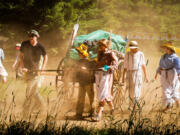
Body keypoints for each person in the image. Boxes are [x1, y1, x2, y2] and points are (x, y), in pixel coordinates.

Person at [19, 30, 48, 116]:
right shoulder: (24, 44)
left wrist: (42, 69)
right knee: (34, 91)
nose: (31, 37)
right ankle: (43, 107)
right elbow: (20, 56)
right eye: (30, 36)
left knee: (29, 91)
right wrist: (23, 67)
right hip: (27, 71)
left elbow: (46, 57)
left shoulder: (40, 47)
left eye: (33, 36)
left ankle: (25, 112)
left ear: (37, 36)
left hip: (36, 71)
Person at [94, 39, 118, 121]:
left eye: (101, 45)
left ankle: (98, 114)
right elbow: (97, 63)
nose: (100, 47)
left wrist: (108, 67)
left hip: (106, 75)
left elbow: (116, 64)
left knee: (103, 94)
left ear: (106, 46)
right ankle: (112, 109)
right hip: (98, 74)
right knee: (103, 94)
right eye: (99, 45)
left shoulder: (111, 53)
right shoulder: (99, 53)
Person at [122, 41, 148, 109]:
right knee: (130, 90)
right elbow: (125, 66)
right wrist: (122, 77)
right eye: (131, 48)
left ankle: (135, 104)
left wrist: (146, 76)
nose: (132, 49)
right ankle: (130, 105)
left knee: (137, 89)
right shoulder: (127, 54)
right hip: (129, 72)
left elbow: (143, 65)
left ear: (136, 48)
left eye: (133, 48)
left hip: (137, 73)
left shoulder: (140, 54)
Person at [155, 42, 180, 111]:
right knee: (165, 89)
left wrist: (179, 74)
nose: (164, 49)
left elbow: (178, 67)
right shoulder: (163, 56)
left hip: (172, 73)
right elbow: (160, 65)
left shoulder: (175, 58)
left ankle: (174, 102)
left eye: (165, 47)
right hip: (163, 73)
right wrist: (157, 73)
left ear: (169, 49)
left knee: (172, 89)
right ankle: (169, 106)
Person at [75, 44, 96, 119]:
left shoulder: (90, 62)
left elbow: (92, 72)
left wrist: (84, 69)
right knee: (80, 98)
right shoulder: (78, 62)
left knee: (91, 98)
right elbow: (77, 72)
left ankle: (93, 113)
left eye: (80, 52)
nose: (78, 54)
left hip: (88, 82)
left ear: (83, 53)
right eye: (78, 52)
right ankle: (78, 113)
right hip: (81, 82)